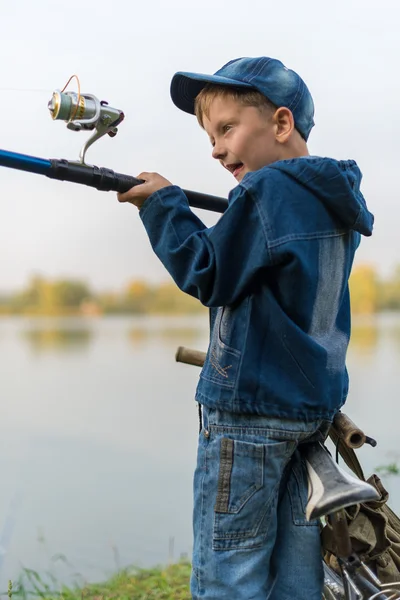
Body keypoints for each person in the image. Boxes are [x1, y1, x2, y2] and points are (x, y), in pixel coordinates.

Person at [117, 56, 374, 600]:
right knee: (293, 571)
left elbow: (209, 271)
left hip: (249, 418)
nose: (214, 148)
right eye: (211, 135)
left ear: (280, 124)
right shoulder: (332, 202)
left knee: (229, 570)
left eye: (227, 129)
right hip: (306, 417)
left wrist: (163, 206)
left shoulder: (268, 191)